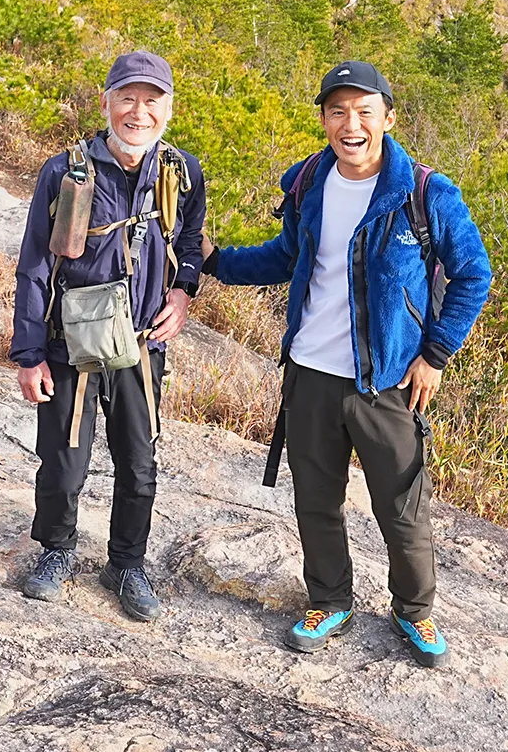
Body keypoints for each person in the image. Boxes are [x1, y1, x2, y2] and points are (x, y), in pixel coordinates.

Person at [205, 59, 492, 667]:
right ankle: (330, 598)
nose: (351, 124)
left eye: (364, 111)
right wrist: (216, 261)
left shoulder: (423, 192)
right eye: (338, 111)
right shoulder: (310, 181)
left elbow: (473, 274)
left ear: (388, 118)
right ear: (324, 119)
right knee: (316, 496)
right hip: (310, 370)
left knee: (401, 503)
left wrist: (435, 354)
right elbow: (286, 256)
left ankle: (414, 610)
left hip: (385, 381)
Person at [11, 50, 207, 621]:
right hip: (70, 340)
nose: (138, 112)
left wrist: (183, 292)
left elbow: (190, 243)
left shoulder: (182, 172)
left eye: (151, 101)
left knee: (138, 460)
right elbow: (33, 266)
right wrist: (29, 355)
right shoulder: (65, 171)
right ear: (106, 103)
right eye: (127, 98)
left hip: (142, 341)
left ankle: (127, 562)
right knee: (64, 459)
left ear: (168, 109)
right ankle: (57, 550)